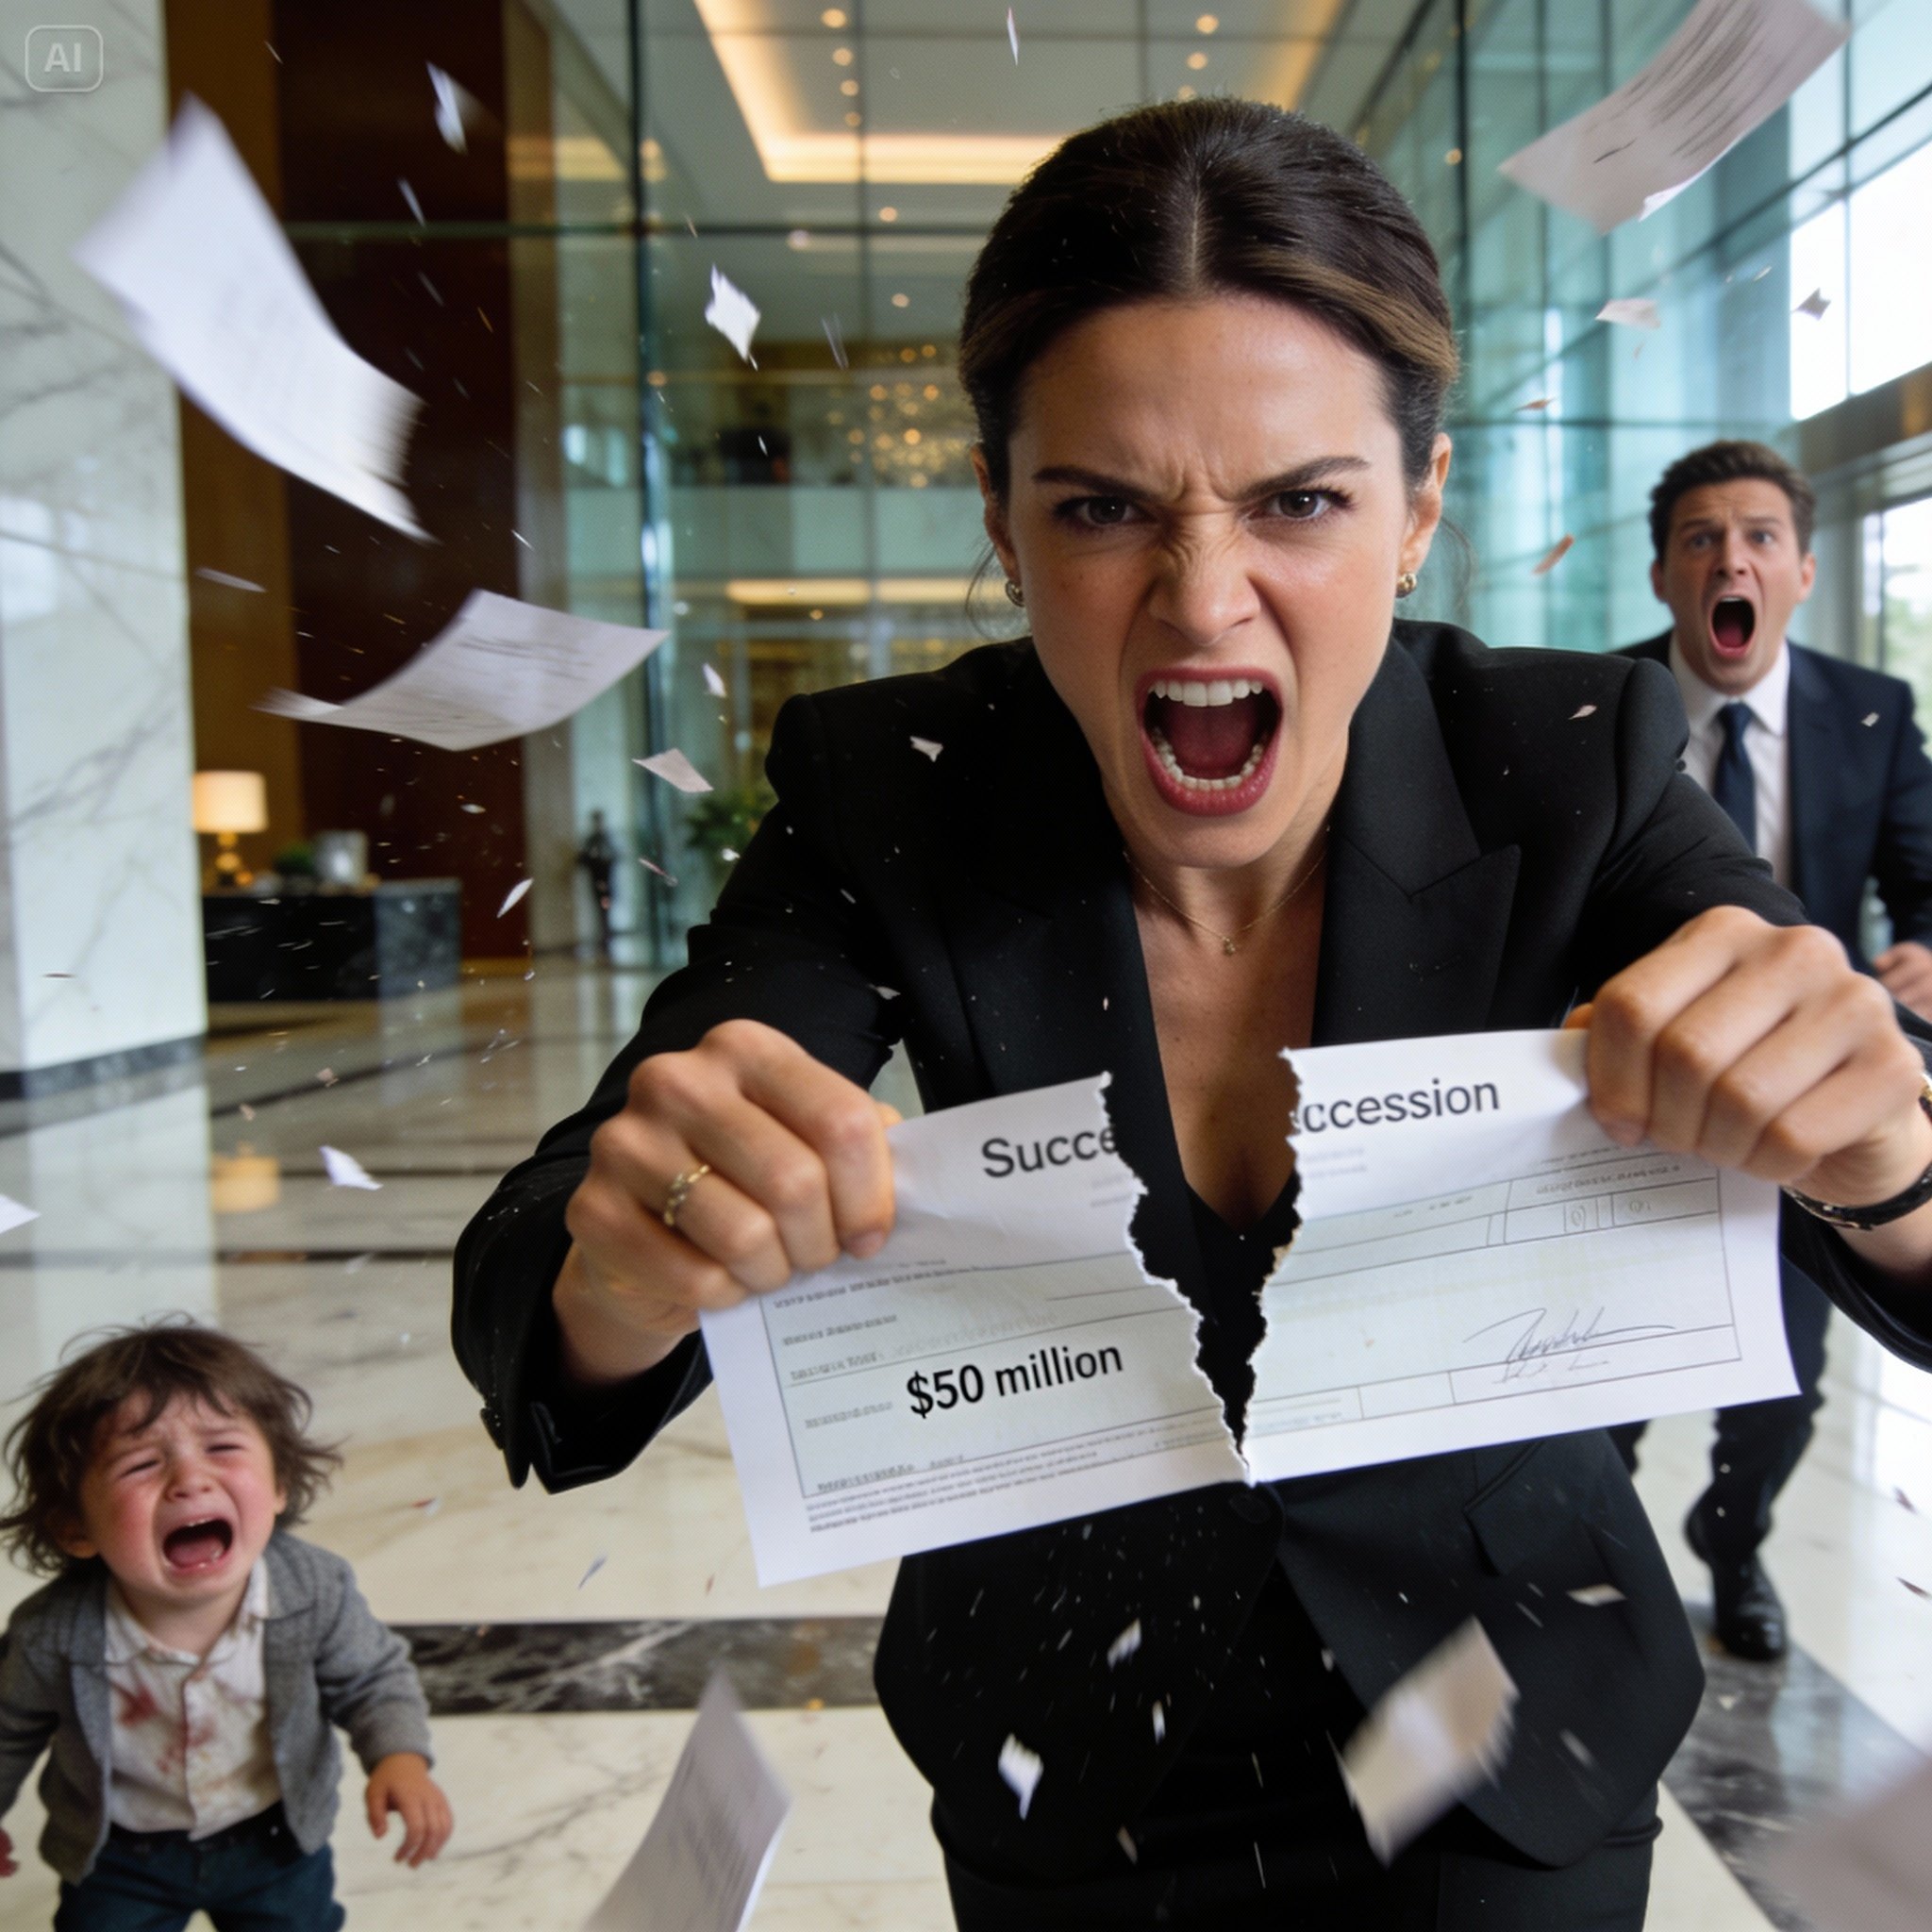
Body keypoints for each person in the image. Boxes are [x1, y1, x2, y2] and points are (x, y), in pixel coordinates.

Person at [454, 101, 1932, 1930]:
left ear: (1419, 512)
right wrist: (630, 1261)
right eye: (1099, 509)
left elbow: (1894, 1185)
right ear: (998, 519)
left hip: (1503, 1744)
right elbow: (542, 1294)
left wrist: (1880, 1151)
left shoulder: (1574, 760)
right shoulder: (896, 788)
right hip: (1066, 1765)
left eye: (1300, 500)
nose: (1201, 597)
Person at [1609, 440, 1932, 1663]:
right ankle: (1601, 1579)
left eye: (1755, 537)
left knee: (1782, 1393)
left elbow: (1926, 882)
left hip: (1811, 1116)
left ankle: (1733, 1544)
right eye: (1700, 538)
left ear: (1800, 569)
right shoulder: (1596, 709)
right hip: (1630, 1105)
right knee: (1603, 1399)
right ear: (1662, 575)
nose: (1727, 557)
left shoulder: (1873, 711)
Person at [0, 1324, 453, 1927]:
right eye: (140, 1464)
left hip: (274, 1841)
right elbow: (7, 1729)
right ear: (74, 1528)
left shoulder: (313, 1592)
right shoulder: (51, 1634)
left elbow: (372, 1679)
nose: (190, 1480)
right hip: (120, 1855)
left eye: (222, 1448)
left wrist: (399, 1756)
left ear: (278, 1485)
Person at [576, 809, 618, 958]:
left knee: (605, 908)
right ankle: (604, 936)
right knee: (601, 909)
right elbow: (582, 860)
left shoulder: (606, 838)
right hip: (597, 880)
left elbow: (616, 855)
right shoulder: (592, 840)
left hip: (606, 879)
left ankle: (606, 936)